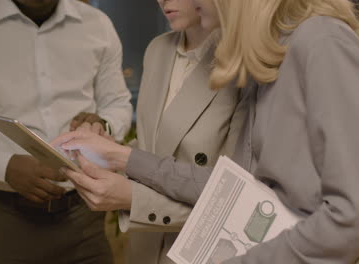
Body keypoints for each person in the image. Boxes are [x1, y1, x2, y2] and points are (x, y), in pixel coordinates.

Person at [53, 0, 359, 263]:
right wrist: (124, 157)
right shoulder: (273, 51)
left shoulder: (321, 40)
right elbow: (235, 186)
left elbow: (349, 220)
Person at [0, 0, 132, 263]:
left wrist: (104, 125)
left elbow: (117, 104)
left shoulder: (97, 25)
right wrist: (4, 167)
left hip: (83, 220)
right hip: (2, 222)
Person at [66, 0, 244, 263]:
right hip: (145, 249)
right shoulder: (158, 50)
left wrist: (134, 199)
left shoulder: (245, 60)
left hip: (204, 252)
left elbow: (235, 197)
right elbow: (154, 149)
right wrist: (107, 153)